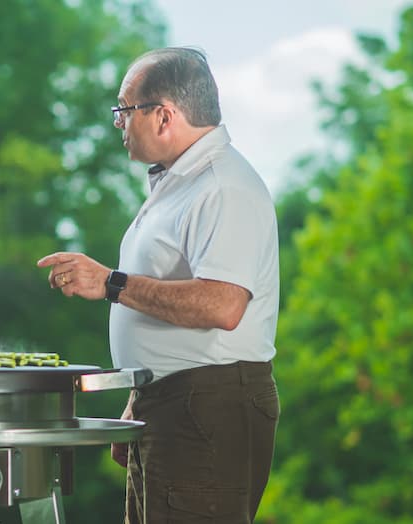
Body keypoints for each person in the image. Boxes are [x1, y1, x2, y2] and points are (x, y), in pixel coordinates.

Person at [37, 47, 280, 523]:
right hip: (174, 402)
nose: (118, 123)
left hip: (205, 407)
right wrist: (142, 393)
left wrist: (110, 282)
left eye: (124, 110)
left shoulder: (221, 186)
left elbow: (222, 304)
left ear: (164, 115)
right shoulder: (182, 182)